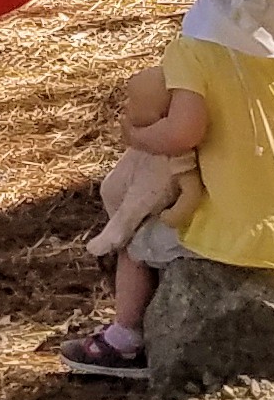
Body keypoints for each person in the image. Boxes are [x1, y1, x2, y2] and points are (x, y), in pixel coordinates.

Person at [63, 0, 274, 378]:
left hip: (230, 227)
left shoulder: (196, 54)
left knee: (135, 240)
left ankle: (125, 340)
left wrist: (136, 135)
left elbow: (183, 133)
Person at [82, 65, 202, 268]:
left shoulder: (177, 148)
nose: (127, 108)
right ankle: (119, 230)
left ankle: (119, 234)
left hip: (148, 219)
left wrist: (173, 216)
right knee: (110, 189)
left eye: (135, 104)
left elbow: (190, 191)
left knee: (132, 248)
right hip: (128, 211)